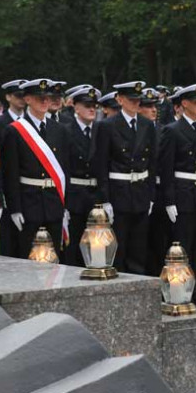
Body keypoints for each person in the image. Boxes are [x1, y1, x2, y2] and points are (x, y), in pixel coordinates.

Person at [160, 84, 196, 310]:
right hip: (183, 194)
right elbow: (166, 168)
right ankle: (178, 289)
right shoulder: (172, 130)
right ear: (184, 104)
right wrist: (169, 200)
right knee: (183, 246)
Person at [93, 81, 158, 275]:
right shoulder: (107, 126)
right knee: (119, 244)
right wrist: (104, 199)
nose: (136, 104)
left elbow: (152, 163)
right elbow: (101, 164)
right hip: (118, 191)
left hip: (140, 190)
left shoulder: (147, 125)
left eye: (138, 100)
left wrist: (151, 195)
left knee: (139, 245)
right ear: (119, 100)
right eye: (131, 100)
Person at [2, 79, 71, 259]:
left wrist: (65, 205)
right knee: (28, 254)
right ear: (28, 99)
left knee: (54, 254)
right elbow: (11, 173)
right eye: (39, 98)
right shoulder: (15, 131)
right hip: (28, 201)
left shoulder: (60, 130)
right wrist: (15, 208)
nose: (45, 102)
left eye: (47, 98)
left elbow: (65, 169)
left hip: (53, 201)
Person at [64, 86, 101, 266]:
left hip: (95, 195)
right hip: (75, 194)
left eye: (94, 105)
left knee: (96, 246)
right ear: (75, 107)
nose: (92, 109)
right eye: (87, 105)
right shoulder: (66, 131)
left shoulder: (101, 131)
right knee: (74, 244)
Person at [0, 79, 27, 257]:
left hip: (29, 189)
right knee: (9, 242)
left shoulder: (31, 122)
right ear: (8, 97)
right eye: (17, 96)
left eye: (24, 96)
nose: (22, 99)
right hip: (7, 187)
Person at [140, 88, 170, 276]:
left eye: (155, 106)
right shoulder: (137, 130)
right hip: (139, 189)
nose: (154, 110)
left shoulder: (162, 130)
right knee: (141, 240)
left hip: (159, 190)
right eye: (148, 106)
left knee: (160, 239)